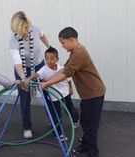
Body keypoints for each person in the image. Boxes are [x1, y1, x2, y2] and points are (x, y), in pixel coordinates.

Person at [41, 27, 106, 157]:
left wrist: (47, 83)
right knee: (85, 120)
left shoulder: (79, 53)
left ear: (72, 39)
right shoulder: (74, 53)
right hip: (88, 94)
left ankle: (93, 152)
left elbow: (66, 74)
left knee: (91, 124)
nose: (63, 46)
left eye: (63, 43)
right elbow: (64, 69)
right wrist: (46, 80)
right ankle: (86, 145)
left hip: (94, 93)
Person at [8, 11, 51, 139]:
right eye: (24, 28)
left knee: (48, 93)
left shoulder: (35, 29)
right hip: (22, 69)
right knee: (25, 98)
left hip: (39, 66)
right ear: (17, 28)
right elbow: (17, 62)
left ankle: (53, 120)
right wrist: (23, 78)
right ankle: (27, 127)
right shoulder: (13, 39)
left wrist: (49, 47)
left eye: (28, 27)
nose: (27, 30)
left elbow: (43, 36)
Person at [25, 46, 80, 141]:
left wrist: (71, 88)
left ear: (57, 59)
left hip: (65, 93)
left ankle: (75, 119)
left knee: (70, 109)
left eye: (52, 58)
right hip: (54, 97)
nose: (49, 61)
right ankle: (58, 133)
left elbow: (69, 79)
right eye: (46, 58)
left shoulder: (62, 68)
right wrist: (29, 78)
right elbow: (37, 74)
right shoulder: (44, 69)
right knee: (56, 115)